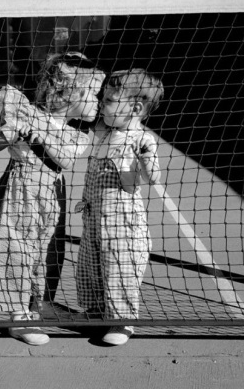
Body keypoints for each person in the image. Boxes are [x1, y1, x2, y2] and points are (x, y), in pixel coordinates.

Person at [0, 52, 105, 345]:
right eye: (92, 94)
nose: (97, 101)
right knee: (15, 250)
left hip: (51, 196)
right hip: (19, 192)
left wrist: (38, 136)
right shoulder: (25, 114)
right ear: (67, 94)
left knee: (47, 253)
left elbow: (64, 159)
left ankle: (39, 302)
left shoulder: (78, 132)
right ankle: (16, 315)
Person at [75, 68, 164, 346]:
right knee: (91, 265)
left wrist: (146, 159)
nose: (103, 103)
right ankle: (96, 310)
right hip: (93, 215)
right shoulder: (105, 131)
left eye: (110, 100)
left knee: (119, 266)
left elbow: (152, 178)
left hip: (121, 220)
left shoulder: (142, 139)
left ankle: (122, 319)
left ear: (136, 108)